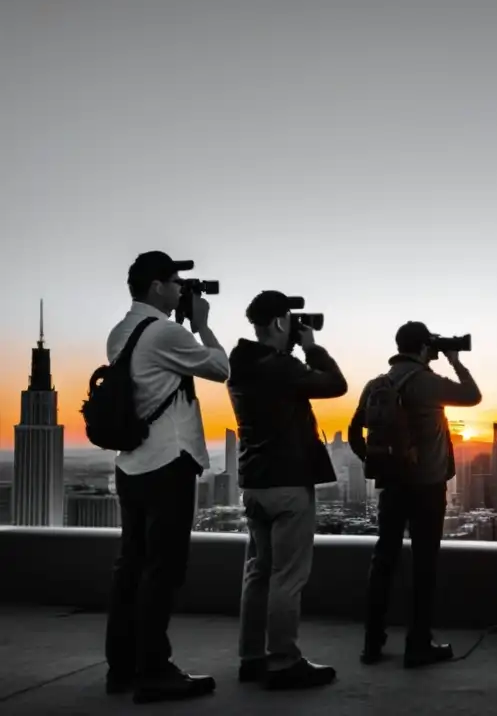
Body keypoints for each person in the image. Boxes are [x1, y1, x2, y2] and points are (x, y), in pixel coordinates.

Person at [104, 251, 229, 704]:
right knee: (163, 569)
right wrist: (202, 325)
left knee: (131, 565)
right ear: (157, 286)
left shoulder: (123, 331)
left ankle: (122, 667)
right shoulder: (165, 332)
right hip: (167, 463)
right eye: (176, 282)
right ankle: (155, 669)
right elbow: (220, 368)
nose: (181, 289)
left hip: (131, 463)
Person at [227, 291, 347, 690]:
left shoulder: (240, 364)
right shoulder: (280, 367)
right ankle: (283, 660)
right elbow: (336, 385)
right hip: (288, 483)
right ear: (280, 322)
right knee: (287, 576)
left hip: (255, 483)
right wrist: (313, 348)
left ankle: (251, 658)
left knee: (257, 572)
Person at [348, 321, 482, 668]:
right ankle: (418, 644)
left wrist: (374, 461)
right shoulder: (426, 381)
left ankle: (371, 644)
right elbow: (472, 396)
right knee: (424, 565)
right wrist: (454, 360)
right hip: (427, 486)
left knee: (384, 560)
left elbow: (353, 430)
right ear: (424, 348)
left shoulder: (377, 383)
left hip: (391, 485)